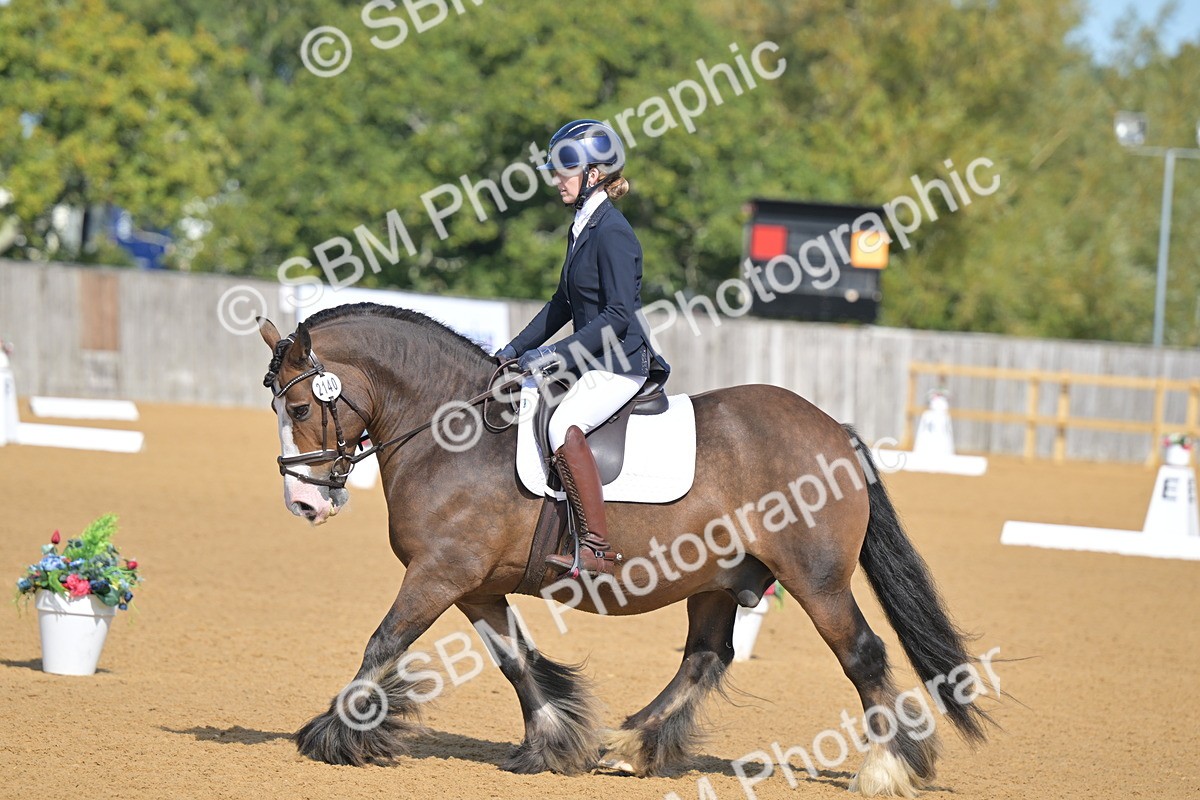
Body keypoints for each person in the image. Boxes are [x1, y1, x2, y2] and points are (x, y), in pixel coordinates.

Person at [496, 119, 670, 577]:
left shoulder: (613, 232)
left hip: (621, 364)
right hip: (591, 359)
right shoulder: (582, 225)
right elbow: (561, 304)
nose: (556, 179)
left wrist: (551, 357)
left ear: (594, 174)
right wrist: (513, 349)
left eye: (564, 169)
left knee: (563, 425)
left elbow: (617, 316)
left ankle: (596, 547)